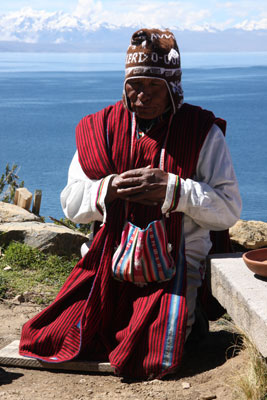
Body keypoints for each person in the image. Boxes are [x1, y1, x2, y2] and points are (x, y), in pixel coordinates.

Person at [20, 28, 241, 379]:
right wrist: (108, 189)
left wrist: (173, 190)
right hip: (108, 259)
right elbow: (71, 204)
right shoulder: (101, 129)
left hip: (175, 260)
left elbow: (229, 208)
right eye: (135, 85)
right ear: (124, 85)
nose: (144, 96)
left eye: (155, 87)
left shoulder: (201, 132)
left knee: (151, 351)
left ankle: (190, 316)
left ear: (172, 88)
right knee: (54, 337)